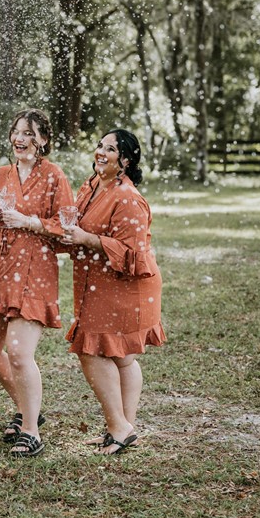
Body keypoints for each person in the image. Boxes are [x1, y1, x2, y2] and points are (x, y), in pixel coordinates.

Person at [0, 109, 74, 458]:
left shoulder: (55, 177)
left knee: (19, 352)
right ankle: (27, 407)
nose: (20, 139)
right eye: (16, 132)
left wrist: (29, 221)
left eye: (29, 133)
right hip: (0, 269)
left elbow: (66, 228)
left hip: (34, 270)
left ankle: (31, 432)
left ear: (43, 140)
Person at [61, 129, 166, 455]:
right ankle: (122, 429)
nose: (100, 152)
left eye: (110, 149)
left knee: (92, 350)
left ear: (126, 160)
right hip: (101, 282)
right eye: (99, 146)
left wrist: (85, 239)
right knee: (121, 357)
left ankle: (119, 426)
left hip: (127, 285)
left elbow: (132, 254)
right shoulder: (93, 185)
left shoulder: (128, 199)